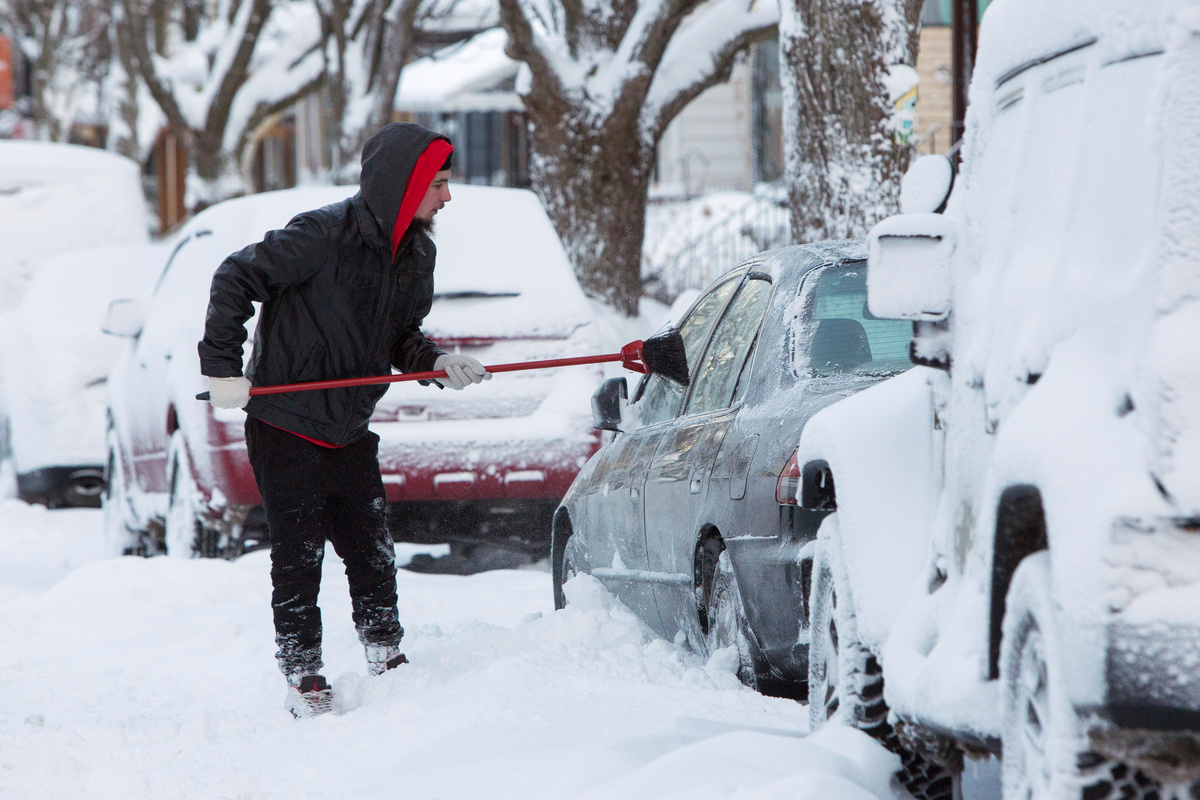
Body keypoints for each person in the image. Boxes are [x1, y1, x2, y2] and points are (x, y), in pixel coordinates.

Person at [197, 123, 490, 718]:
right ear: (404, 185)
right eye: (437, 184)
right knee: (298, 556)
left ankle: (386, 654)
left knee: (371, 549)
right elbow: (235, 276)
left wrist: (435, 362)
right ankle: (304, 672)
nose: (447, 197)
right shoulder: (320, 235)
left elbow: (400, 336)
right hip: (285, 422)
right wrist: (222, 368)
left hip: (349, 425)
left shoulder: (418, 254)